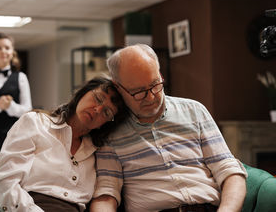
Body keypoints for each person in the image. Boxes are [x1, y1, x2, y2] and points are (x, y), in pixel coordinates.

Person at [90, 44, 247, 212]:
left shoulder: (194, 111)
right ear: (118, 87)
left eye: (155, 84)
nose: (150, 97)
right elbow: (106, 194)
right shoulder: (111, 132)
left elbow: (229, 171)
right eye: (139, 91)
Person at [0, 76, 128, 212]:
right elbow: (5, 184)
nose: (97, 109)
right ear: (83, 92)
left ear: (105, 124)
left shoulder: (98, 151)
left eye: (106, 112)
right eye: (98, 98)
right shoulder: (35, 123)